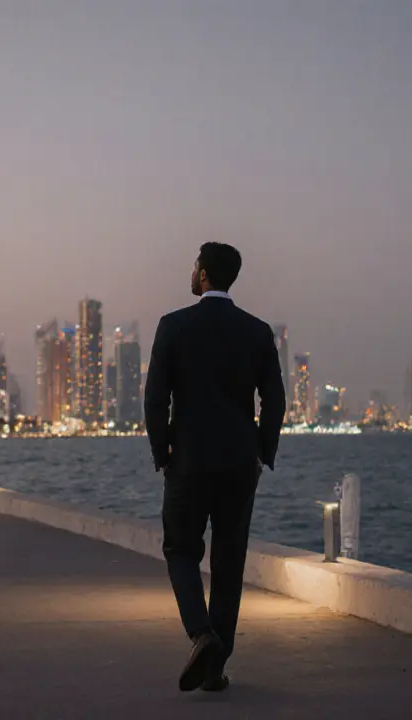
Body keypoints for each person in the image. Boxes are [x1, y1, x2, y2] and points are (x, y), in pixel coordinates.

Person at [144, 241, 285, 692]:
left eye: (193, 266)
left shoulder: (174, 326)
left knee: (180, 551)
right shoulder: (257, 331)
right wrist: (264, 450)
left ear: (203, 275)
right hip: (240, 463)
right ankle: (215, 667)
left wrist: (162, 452)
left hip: (188, 459)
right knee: (228, 562)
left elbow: (154, 398)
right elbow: (275, 399)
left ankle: (201, 634)